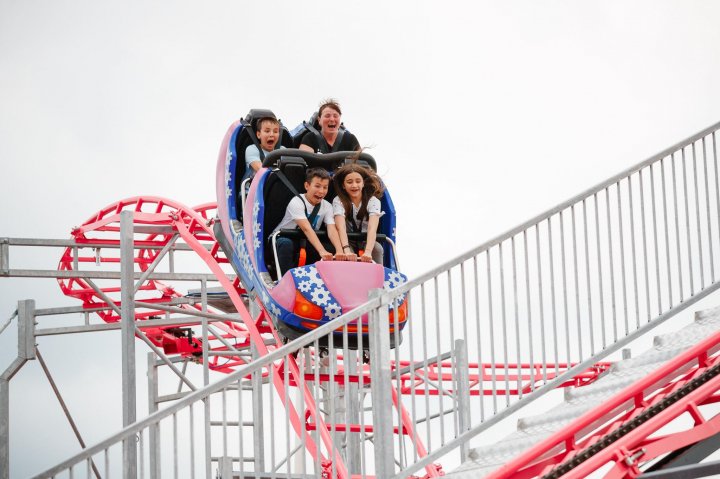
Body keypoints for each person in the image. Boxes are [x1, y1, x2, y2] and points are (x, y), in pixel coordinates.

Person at [273, 167, 344, 276]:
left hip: (306, 240)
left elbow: (331, 229)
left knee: (331, 249)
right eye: (317, 186)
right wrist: (321, 251)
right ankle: (284, 280)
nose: (321, 191)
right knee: (286, 244)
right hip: (284, 238)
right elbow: (306, 228)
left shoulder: (327, 206)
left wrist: (339, 251)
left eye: (325, 187)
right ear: (307, 186)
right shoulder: (297, 201)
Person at [332, 163, 385, 264]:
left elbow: (372, 228)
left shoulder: (373, 201)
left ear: (363, 183)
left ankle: (378, 276)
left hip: (366, 239)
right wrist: (346, 249)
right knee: (346, 256)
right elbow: (341, 227)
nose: (354, 185)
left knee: (377, 249)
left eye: (358, 181)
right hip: (347, 240)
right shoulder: (338, 201)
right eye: (349, 182)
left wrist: (368, 252)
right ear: (343, 185)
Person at [243, 117, 281, 182]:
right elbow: (262, 171)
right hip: (253, 190)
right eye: (267, 131)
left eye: (275, 131)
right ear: (258, 134)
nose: (271, 134)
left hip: (274, 188)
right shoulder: (252, 149)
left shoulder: (283, 151)